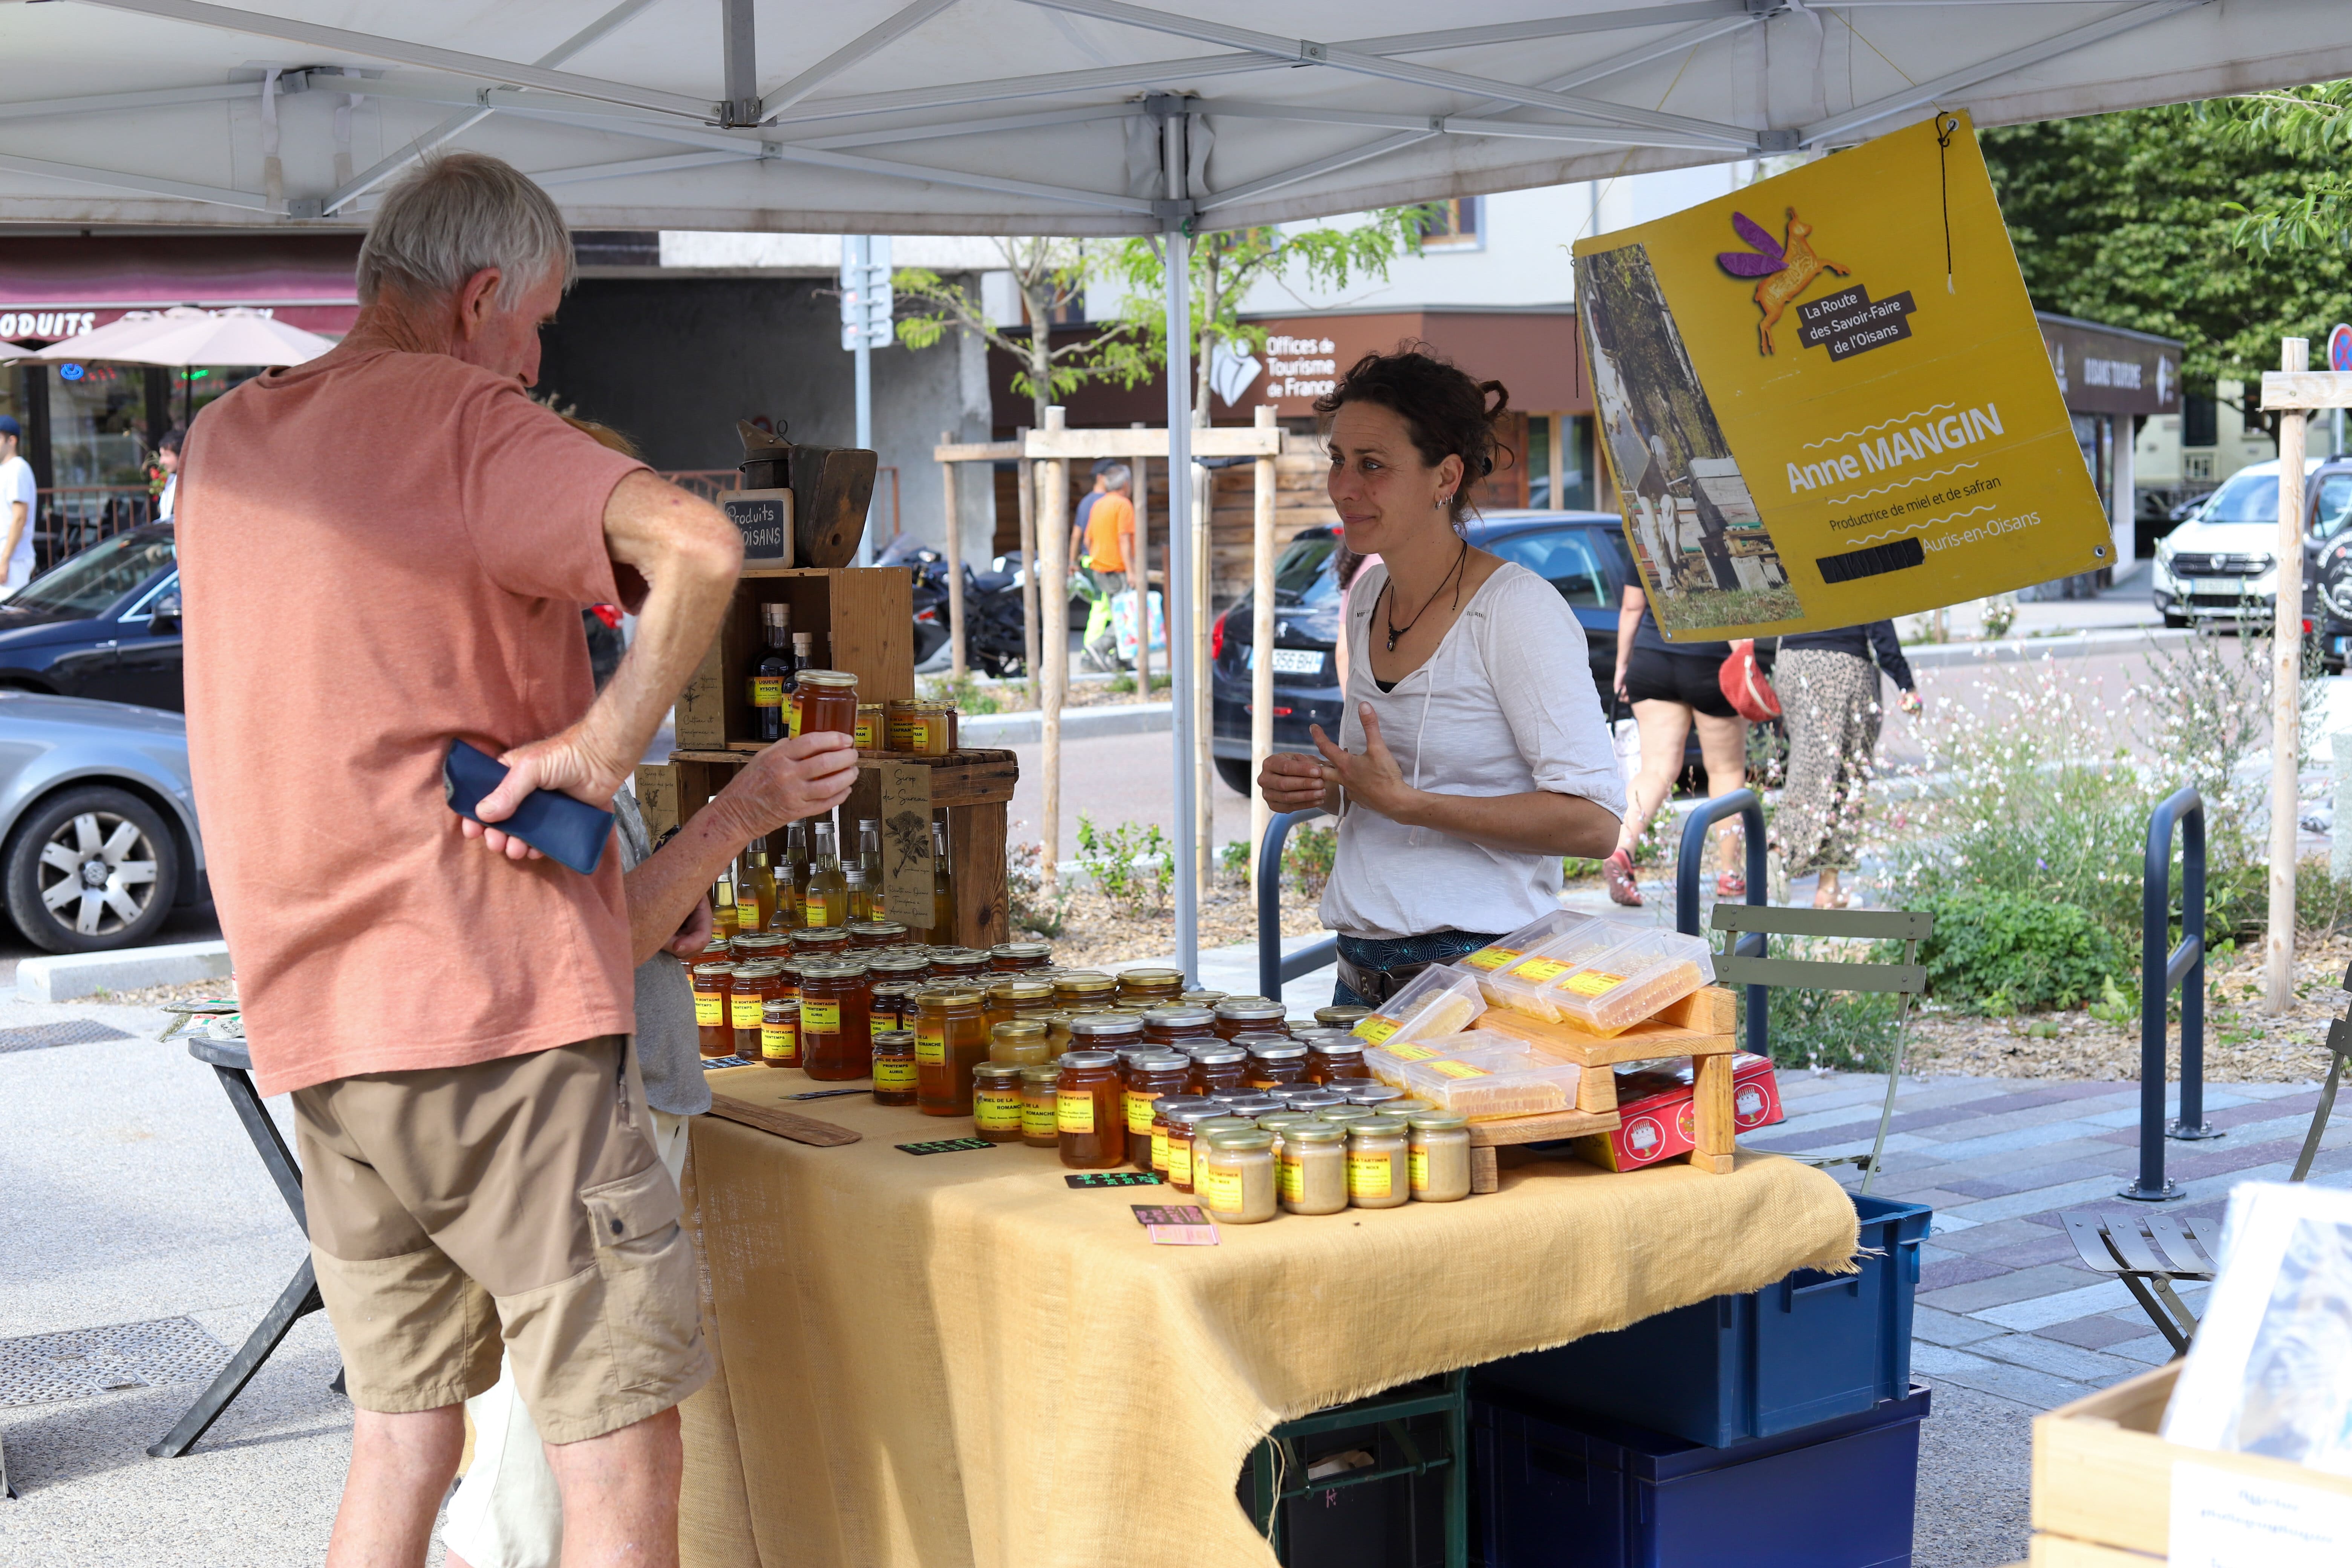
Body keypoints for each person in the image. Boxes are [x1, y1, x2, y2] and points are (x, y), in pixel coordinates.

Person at [176, 152, 744, 1568]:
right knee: (620, 1455)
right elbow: (701, 549)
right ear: (480, 299)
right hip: (494, 1016)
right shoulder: (465, 417)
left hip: (318, 1025)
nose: (538, 361)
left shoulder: (227, 441)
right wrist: (603, 749)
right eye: (537, 323)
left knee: (403, 1439)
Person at [445, 651, 858, 1568]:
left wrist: (673, 890)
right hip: (587, 1115)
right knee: (547, 1452)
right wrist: (739, 814)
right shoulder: (502, 727)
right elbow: (598, 940)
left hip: (598, 1103)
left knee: (564, 1431)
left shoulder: (535, 709)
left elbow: (602, 910)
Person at [1257, 348, 1623, 1006]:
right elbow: (1385, 787)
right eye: (1338, 460)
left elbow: (1595, 824)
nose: (1344, 487)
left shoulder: (1516, 609)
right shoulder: (1369, 598)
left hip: (1479, 989)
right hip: (1358, 980)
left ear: (1445, 477)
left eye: (1372, 465)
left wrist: (1411, 804)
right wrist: (1326, 786)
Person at [1603, 583, 1748, 908]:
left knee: (1655, 770)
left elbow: (1632, 607)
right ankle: (1731, 874)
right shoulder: (1725, 542)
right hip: (1713, 659)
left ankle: (1621, 850)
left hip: (1653, 656)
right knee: (1725, 769)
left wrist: (1622, 665)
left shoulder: (1640, 545)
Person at [1770, 619, 1920, 909]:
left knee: (1809, 763)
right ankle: (1811, 873)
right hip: (1842, 664)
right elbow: (1878, 617)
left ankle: (1786, 851)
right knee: (1847, 774)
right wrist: (1906, 683)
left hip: (1791, 661)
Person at [0, 414, 36, 600]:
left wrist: (5, 560)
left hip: (14, 559)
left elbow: (20, 518)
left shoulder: (18, 469)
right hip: (9, 557)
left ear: (12, 441)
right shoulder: (6, 470)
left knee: (11, 612)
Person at [154, 424, 185, 521]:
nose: (161, 462)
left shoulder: (189, 485)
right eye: (161, 455)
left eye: (167, 455)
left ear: (182, 455)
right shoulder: (171, 480)